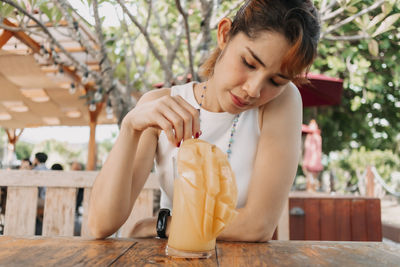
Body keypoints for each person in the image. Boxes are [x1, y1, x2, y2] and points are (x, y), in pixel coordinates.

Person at [88, 0, 320, 242]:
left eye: (276, 81)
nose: (253, 90)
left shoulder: (281, 102)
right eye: (249, 63)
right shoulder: (162, 104)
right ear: (225, 34)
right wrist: (130, 127)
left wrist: (162, 225)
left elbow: (257, 226)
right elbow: (101, 224)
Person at [302, 119, 323, 192]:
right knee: (311, 176)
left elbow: (306, 147)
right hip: (313, 160)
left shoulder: (311, 137)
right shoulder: (317, 136)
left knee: (310, 176)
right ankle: (311, 188)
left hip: (312, 160)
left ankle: (311, 188)